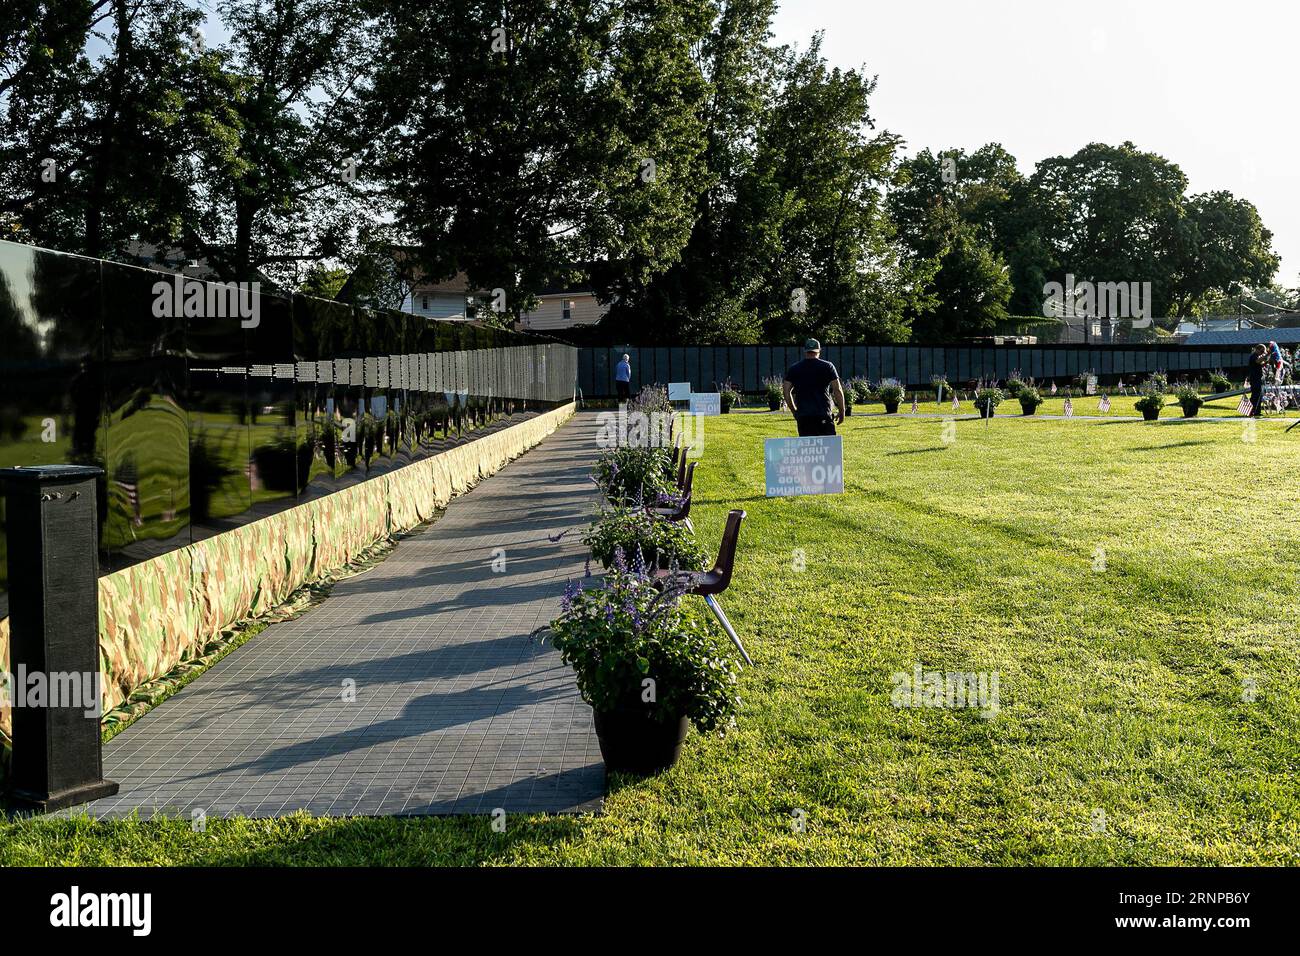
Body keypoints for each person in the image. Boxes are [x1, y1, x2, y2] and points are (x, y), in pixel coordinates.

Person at [782, 338, 846, 436]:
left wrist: (794, 411)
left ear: (805, 351)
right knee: (829, 448)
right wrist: (842, 411)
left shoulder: (794, 368)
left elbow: (786, 391)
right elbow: (837, 390)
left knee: (807, 449)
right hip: (823, 414)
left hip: (804, 416)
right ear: (819, 351)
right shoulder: (828, 366)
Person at [1247, 344, 1266, 417]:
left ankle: (1257, 411)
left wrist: (1268, 359)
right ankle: (1251, 411)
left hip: (1258, 378)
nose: (1262, 353)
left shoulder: (1257, 356)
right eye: (1262, 351)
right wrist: (1267, 354)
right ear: (1257, 349)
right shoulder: (1254, 356)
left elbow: (1261, 363)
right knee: (1255, 395)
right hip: (1254, 378)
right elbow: (1258, 361)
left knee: (1259, 396)